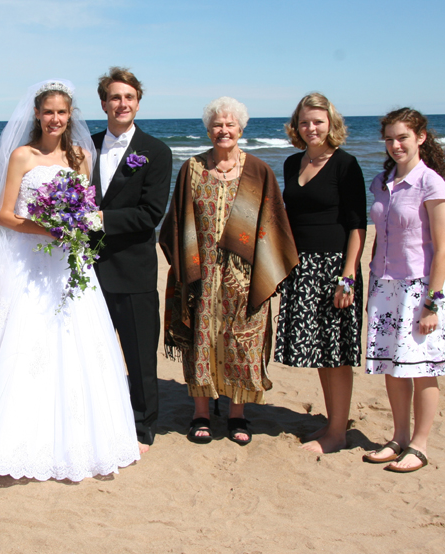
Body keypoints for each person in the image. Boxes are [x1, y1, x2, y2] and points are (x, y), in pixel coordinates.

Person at [0, 79, 140, 481]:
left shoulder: (79, 157)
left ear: (70, 115)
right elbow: (5, 215)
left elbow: (88, 209)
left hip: (70, 266)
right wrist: (48, 227)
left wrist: (75, 226)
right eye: (49, 112)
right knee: (24, 343)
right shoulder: (23, 156)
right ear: (37, 114)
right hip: (30, 264)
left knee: (78, 343)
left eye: (62, 112)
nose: (55, 118)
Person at [159, 97, 298, 446]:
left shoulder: (259, 172)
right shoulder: (192, 168)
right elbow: (177, 221)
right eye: (217, 125)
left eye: (230, 124)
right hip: (202, 274)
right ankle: (201, 414)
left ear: (241, 128)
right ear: (209, 130)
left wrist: (260, 269)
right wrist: (188, 266)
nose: (224, 130)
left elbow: (273, 224)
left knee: (242, 343)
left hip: (245, 277)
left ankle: (237, 414)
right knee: (201, 340)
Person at [361, 108, 445, 472]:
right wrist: (372, 283)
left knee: (422, 368)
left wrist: (432, 303)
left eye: (402, 137)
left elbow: (443, 249)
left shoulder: (431, 183)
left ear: (420, 137)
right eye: (389, 139)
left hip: (419, 289)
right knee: (392, 366)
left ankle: (419, 445)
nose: (395, 145)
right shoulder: (380, 182)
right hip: (384, 285)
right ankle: (399, 437)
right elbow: (379, 237)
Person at [273, 93, 367, 454]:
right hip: (303, 267)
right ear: (296, 126)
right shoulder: (292, 162)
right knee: (321, 351)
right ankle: (333, 423)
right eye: (304, 122)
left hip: (334, 267)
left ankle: (338, 433)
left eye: (318, 121)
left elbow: (357, 225)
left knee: (336, 352)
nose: (311, 128)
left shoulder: (345, 164)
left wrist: (348, 277)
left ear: (331, 123)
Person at [90, 67, 173, 453]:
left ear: (138, 103)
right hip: (88, 271)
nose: (122, 104)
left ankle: (143, 426)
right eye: (115, 97)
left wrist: (99, 219)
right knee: (93, 352)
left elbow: (150, 213)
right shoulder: (85, 147)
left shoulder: (155, 151)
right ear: (103, 103)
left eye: (129, 97)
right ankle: (99, 419)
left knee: (139, 356)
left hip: (133, 269)